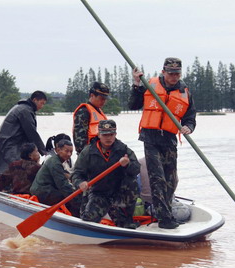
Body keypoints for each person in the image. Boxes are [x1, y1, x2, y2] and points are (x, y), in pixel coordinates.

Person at [128, 57, 196, 229]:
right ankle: (164, 219)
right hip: (150, 138)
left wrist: (188, 127)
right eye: (170, 73)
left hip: (169, 140)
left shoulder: (185, 92)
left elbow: (190, 117)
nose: (174, 77)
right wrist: (136, 84)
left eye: (177, 74)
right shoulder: (149, 84)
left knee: (171, 180)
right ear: (163, 72)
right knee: (157, 178)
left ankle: (163, 210)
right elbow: (133, 105)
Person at [72, 120, 141, 229]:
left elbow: (136, 169)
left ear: (115, 135)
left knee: (132, 181)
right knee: (88, 219)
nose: (108, 138)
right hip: (98, 193)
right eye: (104, 135)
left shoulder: (124, 150)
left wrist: (127, 164)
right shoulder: (88, 152)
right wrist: (80, 183)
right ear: (99, 135)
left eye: (111, 134)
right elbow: (76, 174)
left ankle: (126, 217)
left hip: (118, 194)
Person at [0, 91, 48, 176]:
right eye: (41, 103)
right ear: (35, 100)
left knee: (15, 170)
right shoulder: (24, 110)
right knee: (16, 169)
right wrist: (45, 152)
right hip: (10, 144)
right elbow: (32, 133)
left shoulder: (23, 108)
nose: (42, 106)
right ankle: (8, 187)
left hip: (11, 142)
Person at [30, 139, 80, 217]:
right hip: (43, 191)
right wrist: (78, 199)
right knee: (69, 198)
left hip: (44, 189)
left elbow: (65, 175)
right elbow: (63, 185)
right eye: (66, 151)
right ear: (58, 150)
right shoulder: (55, 163)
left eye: (71, 152)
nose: (69, 154)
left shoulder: (56, 161)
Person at [72, 81, 110, 155]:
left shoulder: (99, 111)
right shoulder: (83, 111)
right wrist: (85, 156)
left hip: (101, 153)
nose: (104, 101)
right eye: (101, 98)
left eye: (105, 99)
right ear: (92, 95)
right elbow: (79, 140)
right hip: (89, 155)